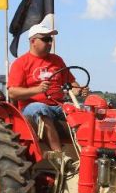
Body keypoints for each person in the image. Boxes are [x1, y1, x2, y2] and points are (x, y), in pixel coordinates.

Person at [8, 23, 89, 152]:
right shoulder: (21, 63)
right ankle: (60, 156)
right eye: (45, 39)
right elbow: (12, 92)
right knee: (41, 110)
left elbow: (72, 84)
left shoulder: (57, 60)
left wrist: (79, 90)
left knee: (84, 112)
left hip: (58, 105)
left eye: (50, 39)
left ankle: (89, 154)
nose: (49, 43)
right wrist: (37, 90)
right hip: (31, 107)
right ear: (33, 41)